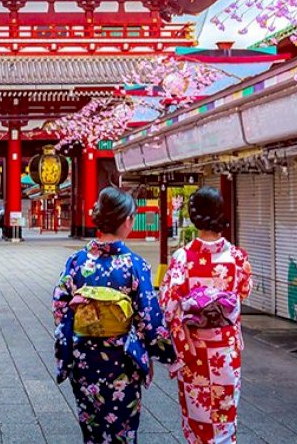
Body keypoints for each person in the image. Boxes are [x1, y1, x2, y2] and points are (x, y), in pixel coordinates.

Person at [52, 187, 176, 444]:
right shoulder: (135, 265)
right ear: (126, 220)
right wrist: (164, 352)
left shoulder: (76, 262)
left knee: (92, 428)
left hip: (84, 357)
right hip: (122, 360)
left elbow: (60, 307)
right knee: (123, 430)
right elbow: (148, 317)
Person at [159, 187, 252, 444]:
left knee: (197, 421)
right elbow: (243, 292)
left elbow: (168, 304)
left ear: (193, 216)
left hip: (194, 351)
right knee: (224, 418)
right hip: (225, 352)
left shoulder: (182, 258)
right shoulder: (237, 258)